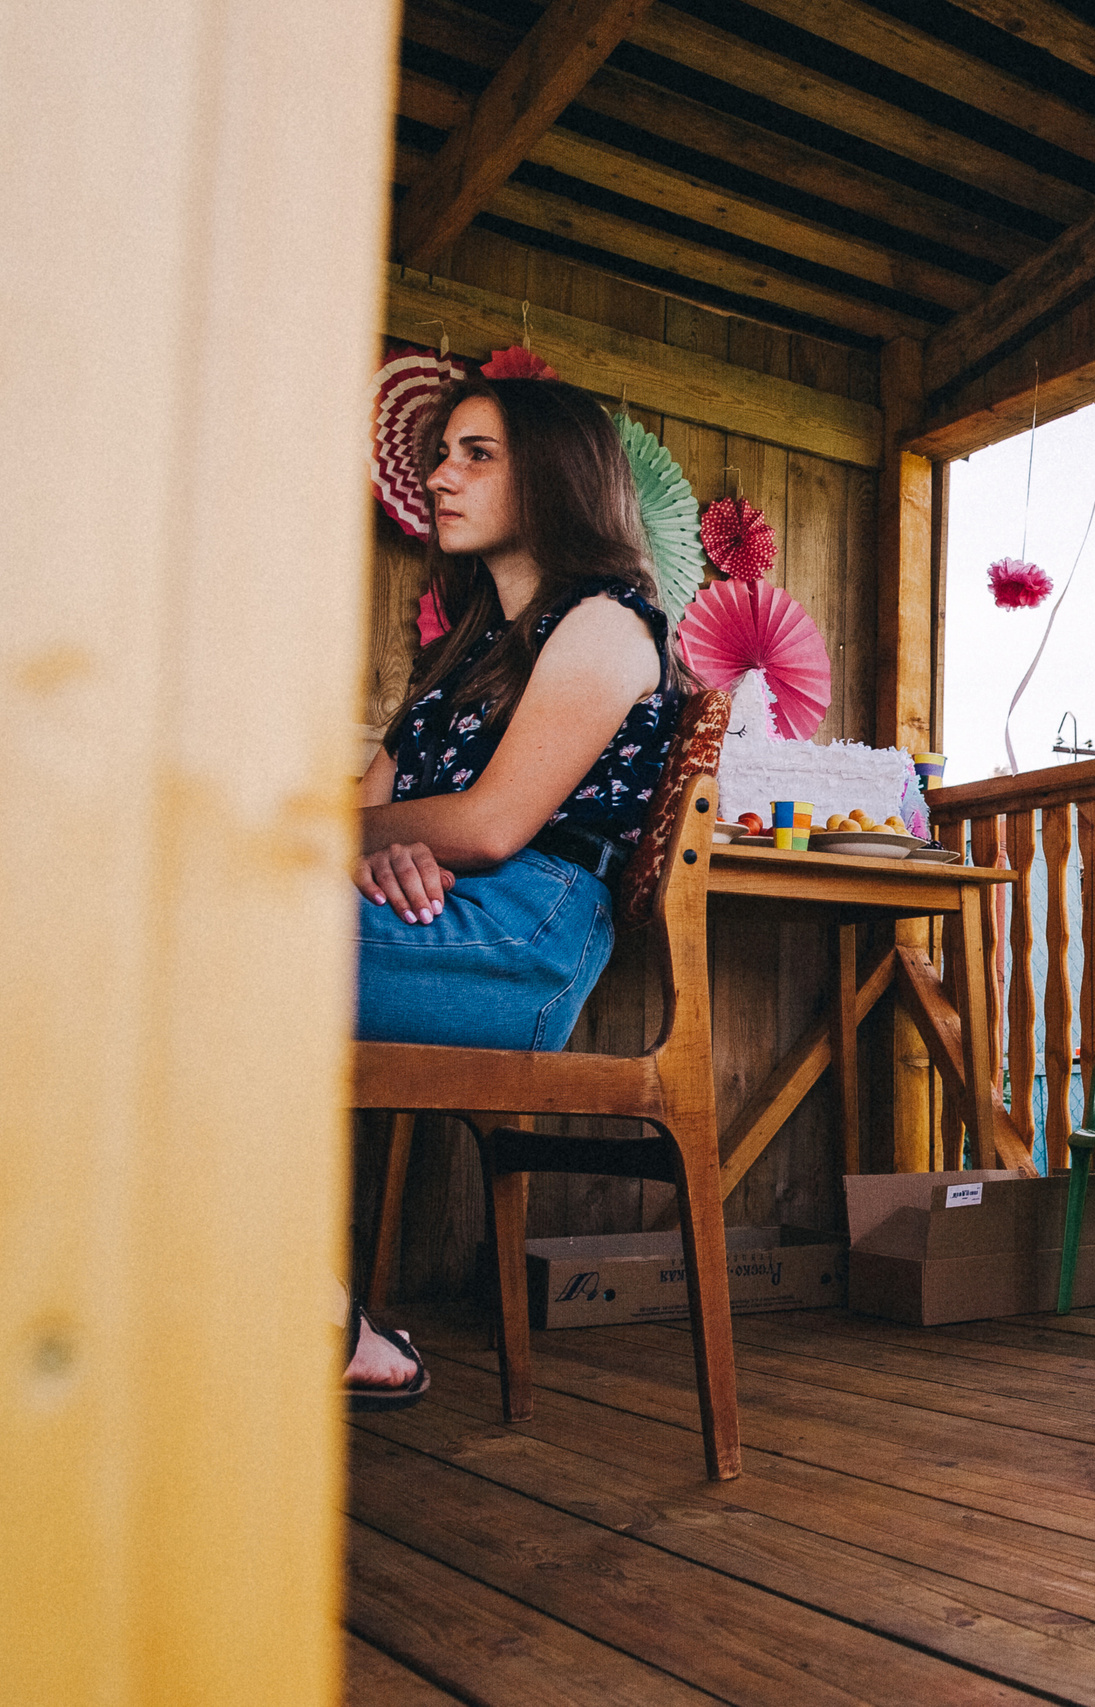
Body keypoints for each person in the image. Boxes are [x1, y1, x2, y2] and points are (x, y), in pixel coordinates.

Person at [343, 374, 684, 1408]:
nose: (441, 476)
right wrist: (369, 853)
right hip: (434, 911)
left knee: (211, 941)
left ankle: (299, 1308)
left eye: (476, 454)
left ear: (555, 474)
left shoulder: (606, 623)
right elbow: (364, 813)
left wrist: (358, 840)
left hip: (526, 937)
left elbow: (492, 826)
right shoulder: (463, 651)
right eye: (442, 453)